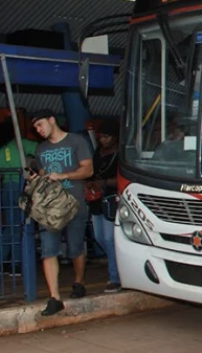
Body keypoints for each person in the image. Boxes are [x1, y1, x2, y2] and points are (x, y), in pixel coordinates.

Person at [29, 110, 94, 316]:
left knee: (75, 248)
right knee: (49, 250)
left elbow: (88, 170)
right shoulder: (41, 149)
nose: (38, 130)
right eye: (35, 128)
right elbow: (42, 174)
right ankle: (54, 297)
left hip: (74, 202)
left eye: (40, 125)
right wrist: (37, 181)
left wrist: (63, 175)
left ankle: (79, 281)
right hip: (50, 206)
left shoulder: (76, 141)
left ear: (51, 120)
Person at [0, 117, 38, 276]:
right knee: (20, 226)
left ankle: (1, 262)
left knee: (9, 227)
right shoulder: (20, 144)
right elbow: (39, 149)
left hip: (6, 187)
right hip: (20, 186)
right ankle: (17, 264)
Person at [85, 120, 121, 293]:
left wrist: (105, 182)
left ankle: (115, 277)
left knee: (108, 238)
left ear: (115, 138)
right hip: (96, 199)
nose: (102, 140)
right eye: (101, 137)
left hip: (111, 199)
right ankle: (121, 264)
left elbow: (122, 179)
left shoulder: (120, 154)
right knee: (99, 237)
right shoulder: (98, 152)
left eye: (106, 137)